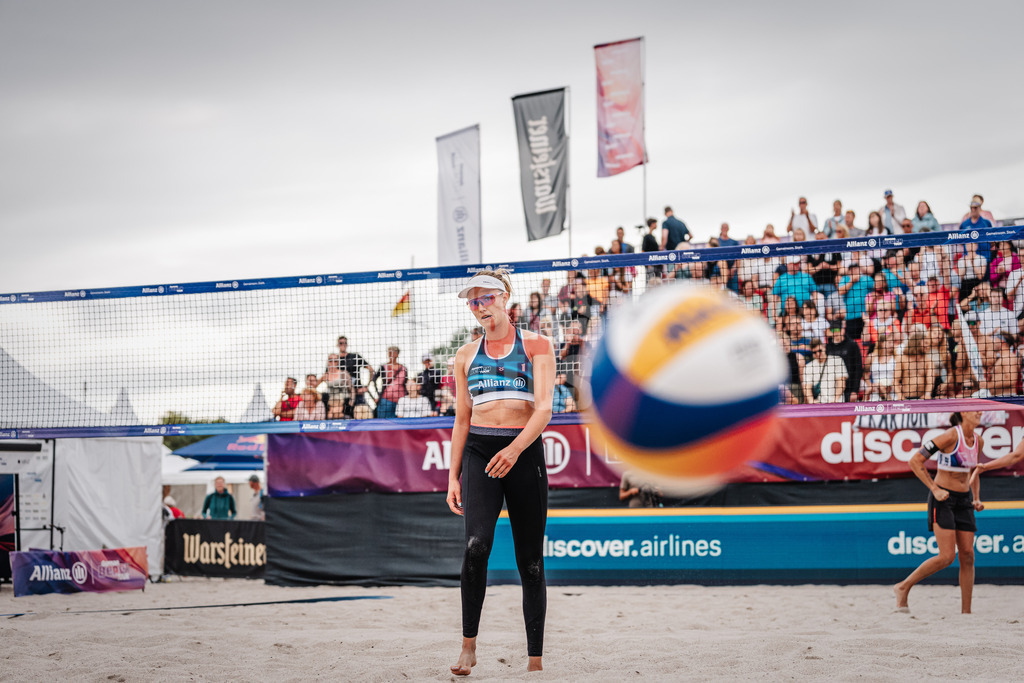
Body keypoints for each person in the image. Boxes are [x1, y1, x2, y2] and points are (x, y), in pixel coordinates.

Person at [446, 269, 555, 675]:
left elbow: (543, 408)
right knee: (476, 546)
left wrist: (514, 449)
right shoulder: (464, 355)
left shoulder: (538, 345)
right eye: (473, 302)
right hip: (479, 452)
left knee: (530, 562)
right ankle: (468, 646)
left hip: (522, 452)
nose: (480, 307)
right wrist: (452, 476)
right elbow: (461, 420)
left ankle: (535, 661)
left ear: (505, 297)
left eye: (486, 298)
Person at [894, 412, 984, 614]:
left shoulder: (978, 440)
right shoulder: (950, 436)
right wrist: (934, 489)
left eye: (980, 409)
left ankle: (966, 614)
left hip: (964, 500)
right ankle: (903, 586)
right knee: (947, 557)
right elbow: (915, 460)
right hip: (943, 498)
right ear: (963, 414)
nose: (980, 413)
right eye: (975, 410)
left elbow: (973, 472)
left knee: (968, 555)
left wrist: (976, 497)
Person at [803, 339, 847, 404]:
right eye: (814, 352)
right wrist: (811, 401)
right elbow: (807, 387)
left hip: (836, 402)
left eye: (820, 351)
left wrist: (836, 399)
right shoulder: (808, 367)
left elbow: (841, 383)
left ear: (824, 347)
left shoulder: (837, 360)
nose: (818, 354)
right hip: (819, 403)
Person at [374, 346, 407, 418]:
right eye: (389, 352)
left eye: (393, 352)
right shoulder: (383, 367)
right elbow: (374, 379)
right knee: (384, 423)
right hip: (385, 400)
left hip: (400, 401)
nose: (391, 354)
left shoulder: (403, 368)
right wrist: (378, 394)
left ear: (397, 354)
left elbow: (405, 384)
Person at [336, 336, 370, 406]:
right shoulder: (334, 360)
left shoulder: (355, 356)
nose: (343, 345)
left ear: (347, 344)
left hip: (357, 392)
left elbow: (371, 370)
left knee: (362, 413)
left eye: (345, 343)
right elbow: (327, 375)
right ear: (337, 345)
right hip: (342, 395)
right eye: (341, 343)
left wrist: (366, 386)